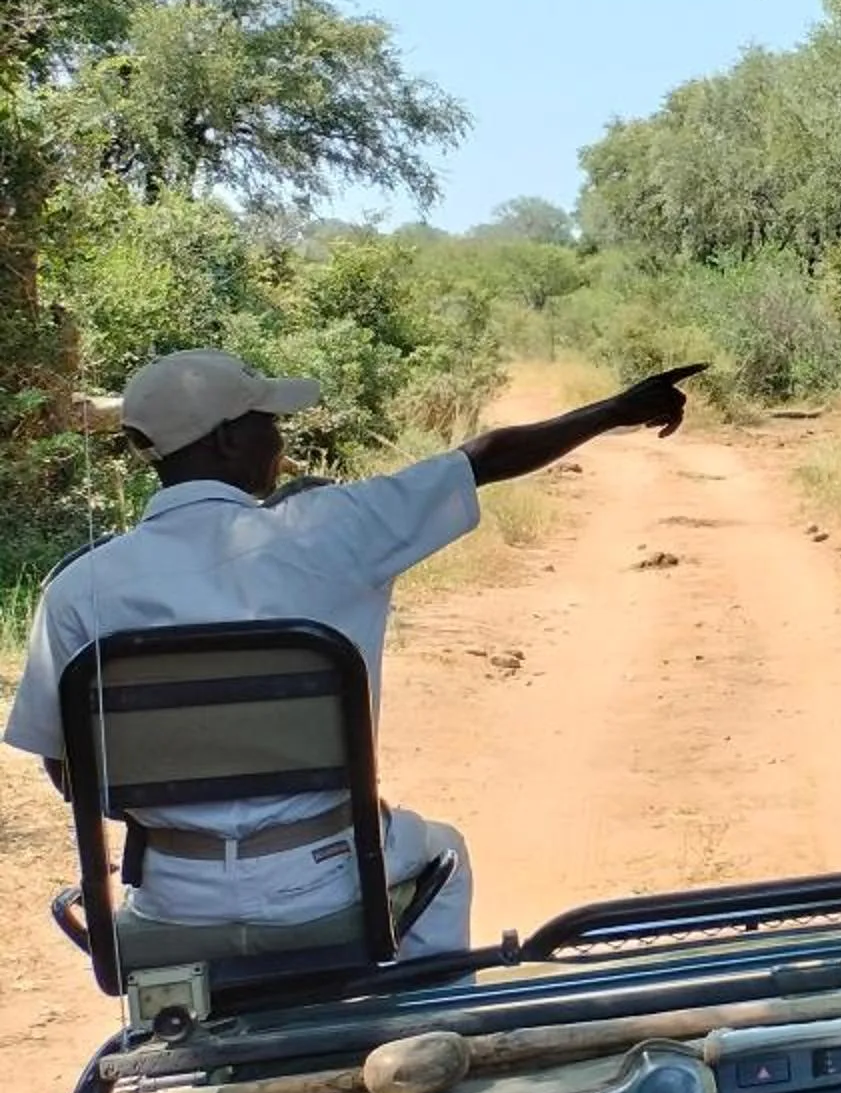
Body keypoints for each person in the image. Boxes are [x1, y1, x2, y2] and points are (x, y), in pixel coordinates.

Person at [6, 347, 706, 961]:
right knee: (445, 854)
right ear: (225, 441)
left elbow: (68, 772)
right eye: (266, 421)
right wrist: (615, 411)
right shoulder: (332, 530)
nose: (279, 436)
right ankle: (421, 1020)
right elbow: (484, 458)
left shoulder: (77, 589)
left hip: (173, 897)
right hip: (325, 878)